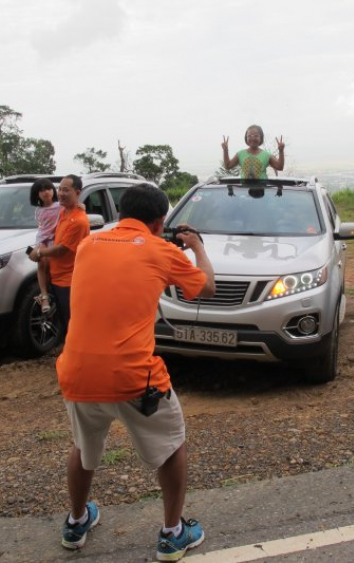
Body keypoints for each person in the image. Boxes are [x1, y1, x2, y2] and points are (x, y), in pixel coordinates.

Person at [55, 183, 215, 560]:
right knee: (173, 444)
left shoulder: (89, 244)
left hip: (76, 372)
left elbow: (119, 270)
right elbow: (206, 287)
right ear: (160, 222)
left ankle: (77, 522)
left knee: (82, 446)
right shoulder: (161, 249)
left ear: (121, 212)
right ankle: (173, 533)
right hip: (133, 378)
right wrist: (196, 248)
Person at [28, 175, 89, 341]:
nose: (61, 193)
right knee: (63, 323)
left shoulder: (78, 221)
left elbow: (62, 250)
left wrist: (39, 253)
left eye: (66, 190)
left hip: (68, 281)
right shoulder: (63, 211)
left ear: (77, 192)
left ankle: (77, 359)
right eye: (60, 189)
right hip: (56, 277)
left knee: (72, 324)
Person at [29, 179, 61, 313]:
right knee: (41, 262)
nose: (46, 192)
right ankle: (44, 296)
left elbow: (75, 209)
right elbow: (42, 228)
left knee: (48, 264)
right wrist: (34, 249)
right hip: (42, 239)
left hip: (56, 239)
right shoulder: (38, 210)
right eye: (41, 190)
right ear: (37, 194)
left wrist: (80, 206)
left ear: (53, 190)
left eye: (48, 189)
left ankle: (48, 295)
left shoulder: (61, 205)